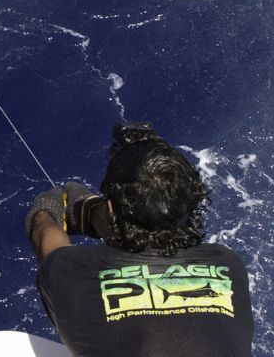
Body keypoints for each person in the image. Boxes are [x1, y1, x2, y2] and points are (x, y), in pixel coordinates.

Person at [26, 123, 253, 357]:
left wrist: (47, 212)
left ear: (111, 206)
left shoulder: (73, 272)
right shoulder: (228, 265)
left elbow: (46, 239)